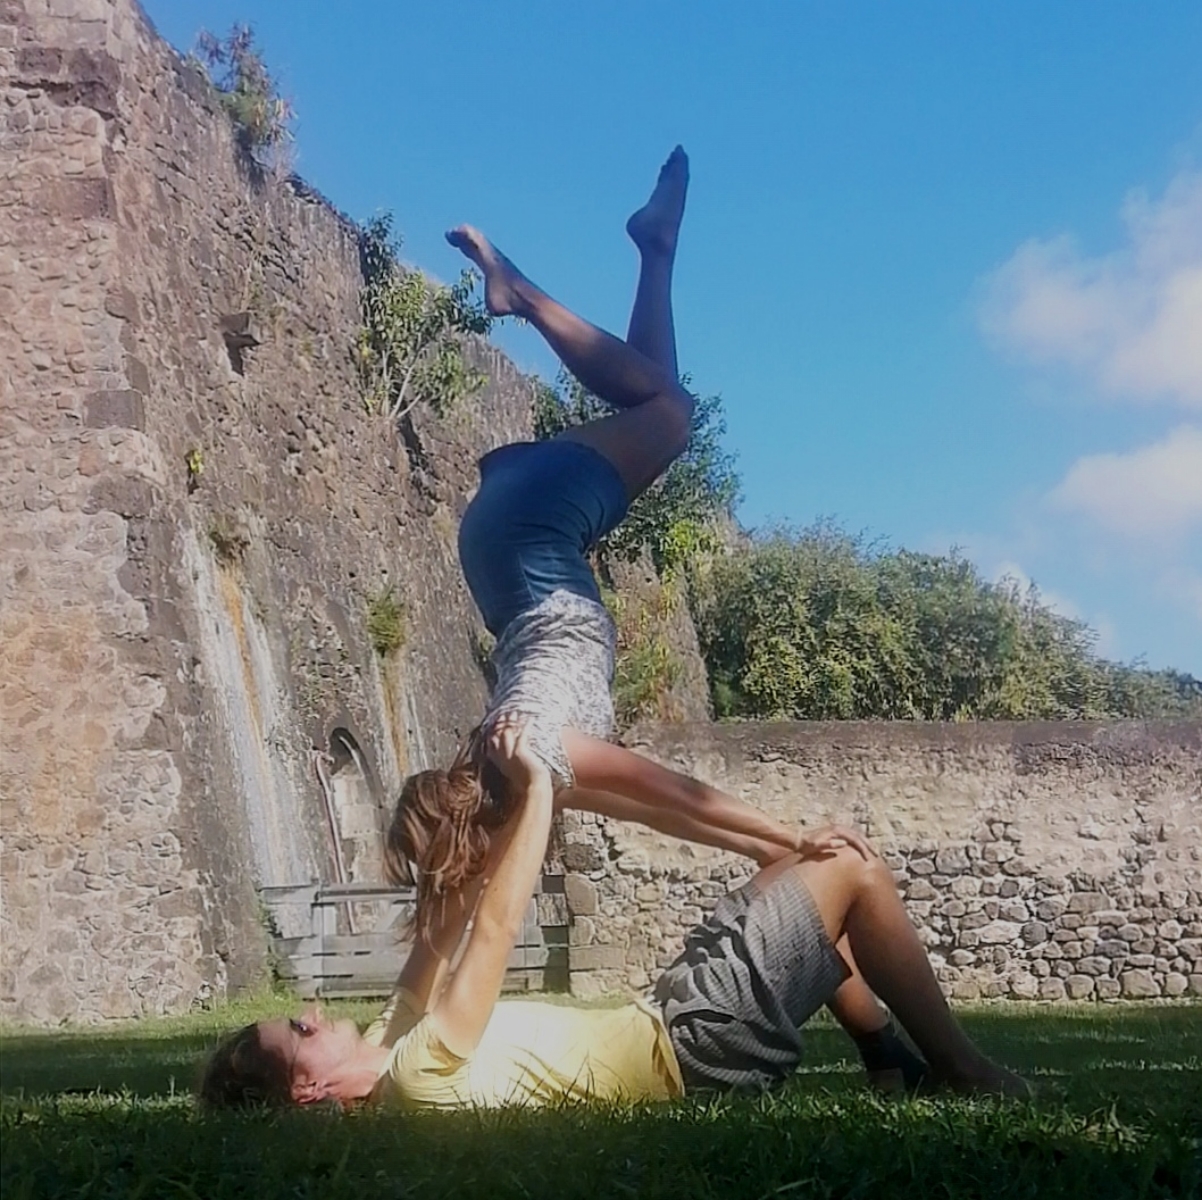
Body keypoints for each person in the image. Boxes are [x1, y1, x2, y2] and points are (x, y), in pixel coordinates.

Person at [392, 148, 864, 932]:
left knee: (671, 416)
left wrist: (791, 838)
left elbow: (674, 790)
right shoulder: (527, 766)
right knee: (659, 400)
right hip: (508, 556)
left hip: (530, 550)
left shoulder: (536, 746)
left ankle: (519, 291)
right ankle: (656, 251)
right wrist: (768, 848)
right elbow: (656, 811)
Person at [201, 720, 1028, 1110]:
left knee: (794, 880)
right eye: (300, 1031)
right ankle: (961, 1069)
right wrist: (536, 786)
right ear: (308, 1090)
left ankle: (886, 1059)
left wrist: (474, 835)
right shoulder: (415, 1077)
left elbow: (443, 930)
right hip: (694, 1048)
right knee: (851, 868)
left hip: (674, 1019)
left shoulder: (392, 1043)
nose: (315, 1011)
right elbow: (493, 928)